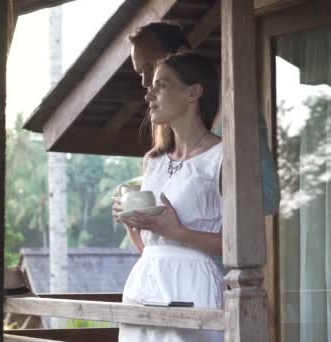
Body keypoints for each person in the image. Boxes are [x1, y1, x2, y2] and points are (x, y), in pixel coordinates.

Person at [116, 51, 224, 341]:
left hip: (193, 284)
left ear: (193, 92)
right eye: (151, 86)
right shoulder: (153, 161)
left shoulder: (223, 157)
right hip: (143, 282)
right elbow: (150, 248)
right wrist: (132, 223)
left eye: (161, 85)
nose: (149, 95)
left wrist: (179, 233)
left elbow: (238, 246)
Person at [125, 21, 280, 217]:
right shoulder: (165, 128)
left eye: (152, 66)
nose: (146, 82)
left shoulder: (235, 115)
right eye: (141, 72)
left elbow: (268, 198)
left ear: (182, 54)